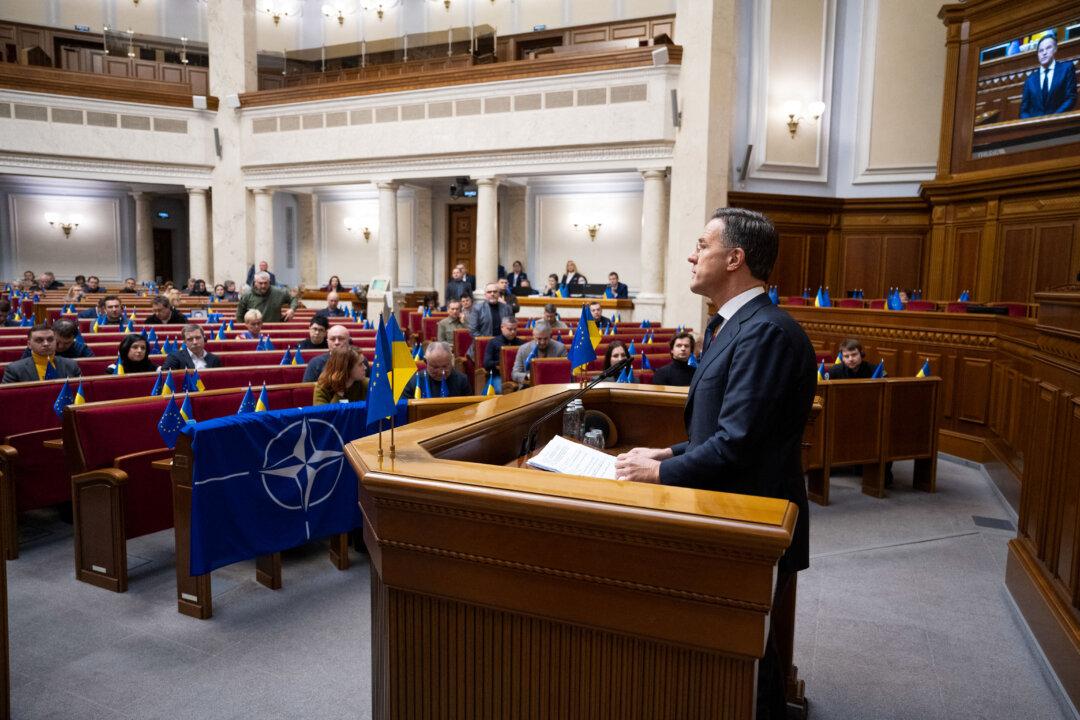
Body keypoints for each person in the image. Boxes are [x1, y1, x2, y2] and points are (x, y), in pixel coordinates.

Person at [614, 208, 816, 720]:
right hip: (732, 510)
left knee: (747, 664)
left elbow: (738, 444)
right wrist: (668, 452)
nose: (691, 253)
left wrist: (657, 473)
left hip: (752, 520)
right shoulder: (734, 326)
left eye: (701, 245)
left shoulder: (764, 331)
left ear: (735, 258)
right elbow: (725, 431)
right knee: (732, 655)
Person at [1019, 35, 1077, 119]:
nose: (1044, 53)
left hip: (1059, 123)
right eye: (1041, 50)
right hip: (1035, 127)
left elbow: (1071, 98)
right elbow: (1023, 110)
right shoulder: (1030, 79)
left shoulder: (1066, 69)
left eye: (1048, 48)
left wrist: (1052, 119)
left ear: (1055, 49)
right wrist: (1031, 124)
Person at [2, 324, 82, 383]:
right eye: (39, 340)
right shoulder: (14, 370)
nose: (46, 344)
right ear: (29, 345)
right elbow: (7, 400)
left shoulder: (71, 365)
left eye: (50, 339)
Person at [403, 341, 473, 397]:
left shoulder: (462, 380)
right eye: (435, 367)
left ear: (451, 361)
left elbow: (470, 409)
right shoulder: (414, 382)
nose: (440, 372)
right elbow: (404, 409)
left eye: (445, 366)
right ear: (425, 362)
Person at [21, 319, 93, 359]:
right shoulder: (36, 348)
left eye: (67, 343)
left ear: (74, 339)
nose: (60, 346)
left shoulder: (81, 349)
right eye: (57, 342)